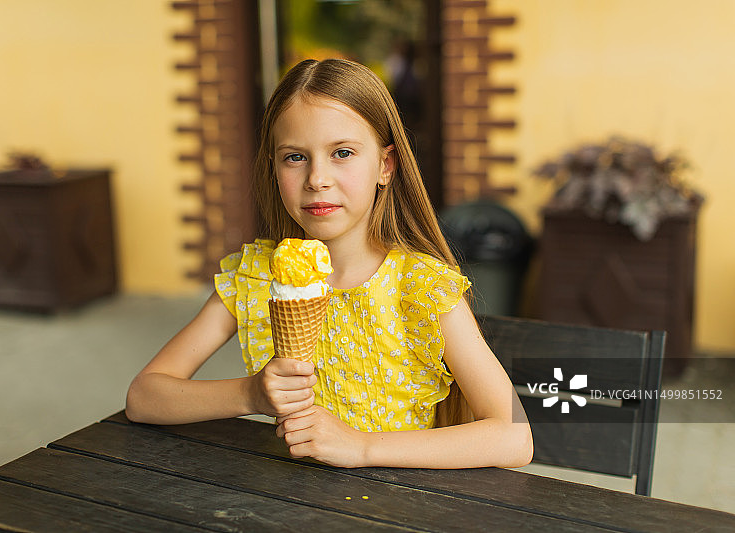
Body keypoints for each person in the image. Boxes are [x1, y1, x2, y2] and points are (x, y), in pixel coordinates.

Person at [126, 58, 532, 469]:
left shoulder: (420, 288)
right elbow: (144, 397)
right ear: (274, 166)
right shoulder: (257, 278)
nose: (317, 178)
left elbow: (514, 437)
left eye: (342, 153)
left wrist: (361, 447)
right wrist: (250, 395)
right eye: (295, 157)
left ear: (385, 166)